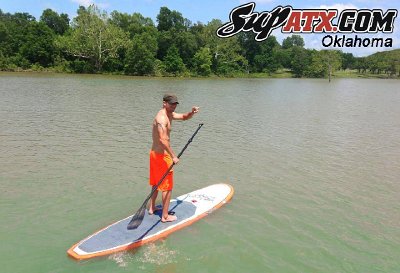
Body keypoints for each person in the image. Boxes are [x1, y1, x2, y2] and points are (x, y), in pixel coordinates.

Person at [149, 94, 199, 222]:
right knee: (167, 187)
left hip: (154, 154)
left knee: (156, 183)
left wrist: (191, 112)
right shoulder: (161, 119)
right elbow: (162, 139)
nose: (174, 106)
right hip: (162, 156)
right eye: (171, 104)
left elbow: (183, 117)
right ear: (164, 103)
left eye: (175, 104)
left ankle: (152, 208)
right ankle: (165, 216)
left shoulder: (168, 114)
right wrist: (173, 156)